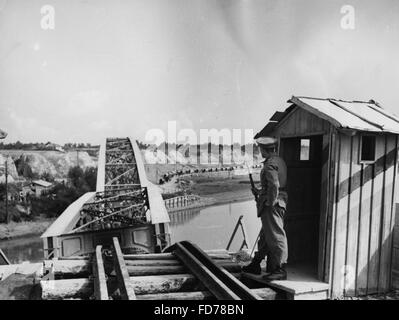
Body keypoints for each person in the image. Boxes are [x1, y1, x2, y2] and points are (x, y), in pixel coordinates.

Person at [242, 136, 288, 281]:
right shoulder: (279, 161)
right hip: (277, 201)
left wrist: (270, 201)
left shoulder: (269, 164)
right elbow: (274, 184)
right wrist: (260, 191)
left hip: (272, 205)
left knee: (276, 236)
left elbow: (274, 185)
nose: (259, 151)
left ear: (263, 149)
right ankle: (256, 263)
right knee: (266, 236)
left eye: (260, 148)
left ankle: (280, 269)